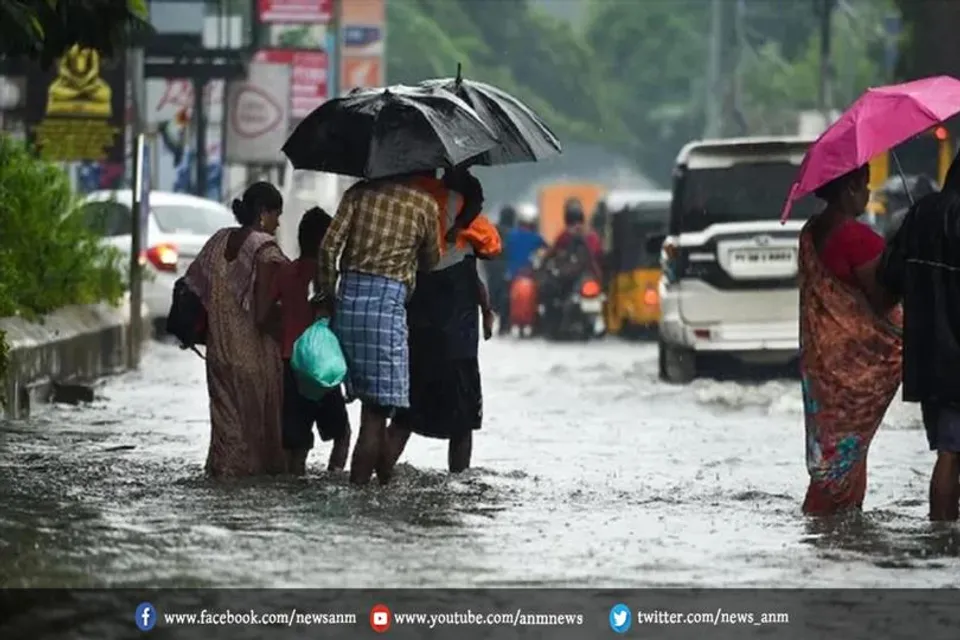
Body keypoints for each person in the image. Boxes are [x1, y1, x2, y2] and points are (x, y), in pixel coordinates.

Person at [317, 176, 440, 486]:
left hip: (348, 304)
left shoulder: (359, 193)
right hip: (387, 308)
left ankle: (382, 482)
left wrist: (328, 293)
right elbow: (430, 260)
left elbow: (329, 247)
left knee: (366, 405)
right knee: (375, 414)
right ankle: (361, 494)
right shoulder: (423, 204)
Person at [797, 165, 902, 515]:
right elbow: (882, 299)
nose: (868, 193)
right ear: (847, 190)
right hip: (857, 367)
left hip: (825, 365)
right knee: (846, 454)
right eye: (863, 185)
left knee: (836, 452)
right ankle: (833, 523)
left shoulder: (810, 232)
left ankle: (830, 527)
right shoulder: (856, 238)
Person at [384, 168, 500, 475]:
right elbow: (474, 274)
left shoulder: (406, 203)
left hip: (418, 333)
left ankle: (377, 478)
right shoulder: (462, 212)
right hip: (458, 340)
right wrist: (486, 311)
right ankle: (458, 482)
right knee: (462, 423)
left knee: (404, 416)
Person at [184, 182, 289, 477]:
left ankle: (221, 483)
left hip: (219, 354)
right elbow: (263, 313)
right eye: (275, 215)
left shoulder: (218, 240)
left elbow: (193, 284)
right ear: (262, 213)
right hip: (254, 360)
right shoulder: (266, 250)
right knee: (257, 440)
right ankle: (247, 500)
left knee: (226, 434)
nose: (278, 222)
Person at [878, 154, 960, 521]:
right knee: (952, 453)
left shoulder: (921, 213)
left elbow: (889, 278)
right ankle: (944, 542)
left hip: (929, 360)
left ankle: (942, 539)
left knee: (949, 450)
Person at [274, 207, 351, 475]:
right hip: (318, 367)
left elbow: (270, 313)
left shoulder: (285, 272)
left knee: (297, 443)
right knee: (342, 434)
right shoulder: (328, 280)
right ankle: (333, 476)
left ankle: (294, 483)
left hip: (288, 365)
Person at [501, 205, 547, 335]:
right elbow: (547, 250)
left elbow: (503, 252)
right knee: (540, 297)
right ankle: (537, 325)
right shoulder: (537, 237)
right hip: (531, 274)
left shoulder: (511, 236)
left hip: (513, 274)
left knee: (505, 298)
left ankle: (504, 326)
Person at [546, 198, 603, 279]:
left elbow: (552, 253)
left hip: (584, 277)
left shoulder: (565, 235)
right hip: (585, 277)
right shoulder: (592, 235)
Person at [489, 205, 517, 335]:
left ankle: (502, 323)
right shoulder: (514, 232)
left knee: (496, 297)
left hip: (493, 268)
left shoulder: (494, 229)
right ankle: (505, 324)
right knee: (506, 296)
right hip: (507, 268)